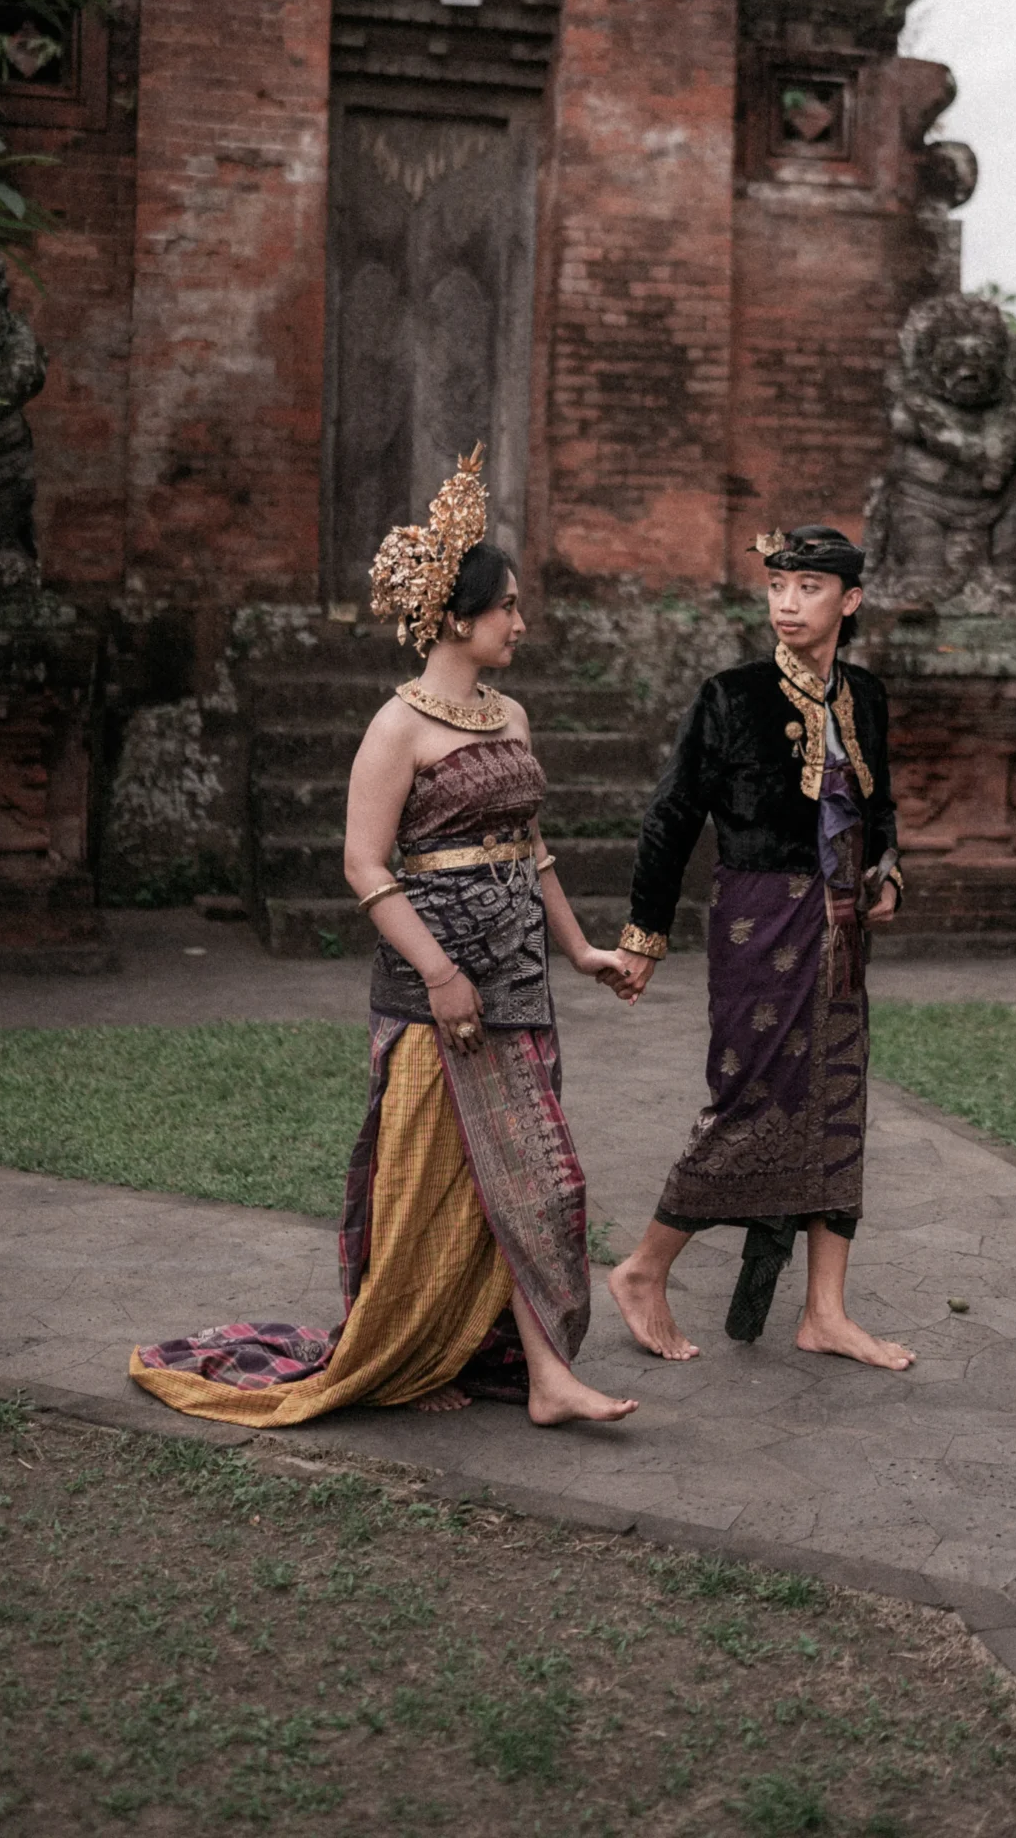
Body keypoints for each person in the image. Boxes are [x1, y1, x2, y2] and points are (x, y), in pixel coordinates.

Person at [130, 448, 639, 1430]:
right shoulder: (396, 727)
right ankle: (437, 1351)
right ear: (456, 618)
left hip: (520, 981)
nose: (520, 624)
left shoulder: (511, 715)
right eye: (508, 608)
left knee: (534, 1183)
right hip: (437, 992)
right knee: (431, 1190)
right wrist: (441, 974)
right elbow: (364, 865)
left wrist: (581, 951)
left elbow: (530, 847)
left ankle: (541, 1376)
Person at [605, 523, 915, 1371]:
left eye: (808, 587)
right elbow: (670, 817)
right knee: (751, 1099)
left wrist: (888, 873)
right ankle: (643, 1268)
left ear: (849, 600)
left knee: (838, 1101)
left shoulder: (866, 696)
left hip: (843, 926)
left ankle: (824, 1312)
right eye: (777, 586)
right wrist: (644, 936)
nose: (787, 603)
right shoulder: (731, 697)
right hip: (759, 919)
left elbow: (880, 806)